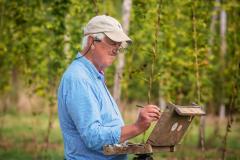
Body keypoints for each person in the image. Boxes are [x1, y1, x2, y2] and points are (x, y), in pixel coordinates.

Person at [57, 15, 161, 160]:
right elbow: (93, 137)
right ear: (92, 41)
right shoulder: (78, 78)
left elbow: (105, 131)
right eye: (112, 42)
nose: (116, 49)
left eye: (119, 45)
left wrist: (130, 146)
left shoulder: (94, 76)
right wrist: (137, 127)